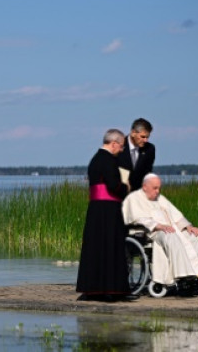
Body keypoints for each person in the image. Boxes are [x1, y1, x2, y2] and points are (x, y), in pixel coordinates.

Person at [122, 173, 198, 290]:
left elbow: (176, 215)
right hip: (150, 233)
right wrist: (157, 225)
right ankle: (183, 277)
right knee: (171, 236)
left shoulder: (160, 199)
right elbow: (136, 218)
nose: (157, 191)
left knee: (196, 236)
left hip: (170, 229)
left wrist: (188, 226)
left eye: (158, 188)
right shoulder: (133, 200)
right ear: (145, 187)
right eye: (155, 188)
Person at [76, 128, 134, 301]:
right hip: (108, 209)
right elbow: (114, 185)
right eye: (121, 146)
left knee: (95, 248)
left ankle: (93, 288)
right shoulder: (108, 160)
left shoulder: (95, 159)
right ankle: (110, 289)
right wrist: (127, 188)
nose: (122, 150)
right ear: (114, 143)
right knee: (110, 247)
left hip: (96, 209)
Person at [117, 118, 155, 191]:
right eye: (143, 137)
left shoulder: (150, 149)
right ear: (133, 133)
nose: (146, 140)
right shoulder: (118, 145)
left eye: (147, 137)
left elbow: (148, 172)